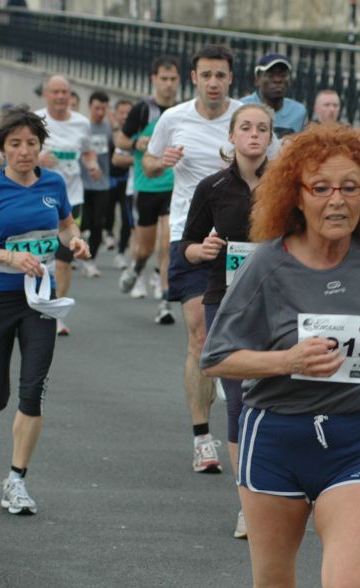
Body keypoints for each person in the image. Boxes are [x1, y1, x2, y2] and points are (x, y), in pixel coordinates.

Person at [201, 123, 360, 588]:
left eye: (351, 187)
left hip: (349, 441)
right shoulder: (268, 263)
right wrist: (286, 361)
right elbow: (216, 357)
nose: (337, 200)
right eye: (321, 187)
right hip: (274, 439)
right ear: (296, 193)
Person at [0, 105, 90, 515]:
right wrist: (8, 258)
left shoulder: (54, 184)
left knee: (34, 389)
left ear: (41, 146)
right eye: (15, 144)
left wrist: (75, 241)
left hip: (39, 298)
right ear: (3, 148)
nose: (24, 151)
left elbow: (66, 224)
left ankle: (16, 480)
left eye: (31, 143)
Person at [144, 44, 244, 474]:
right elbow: (148, 165)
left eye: (221, 75)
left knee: (238, 335)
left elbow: (276, 166)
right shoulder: (173, 118)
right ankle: (203, 437)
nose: (214, 83)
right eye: (207, 75)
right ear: (194, 77)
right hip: (190, 235)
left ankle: (242, 418)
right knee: (199, 334)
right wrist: (160, 162)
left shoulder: (246, 118)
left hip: (240, 240)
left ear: (230, 79)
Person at [183, 102, 274, 538]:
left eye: (262, 129)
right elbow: (186, 244)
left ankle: (284, 492)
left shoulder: (288, 185)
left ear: (271, 137)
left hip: (280, 302)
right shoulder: (213, 186)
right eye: (246, 128)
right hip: (227, 300)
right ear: (232, 136)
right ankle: (248, 506)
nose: (253, 135)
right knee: (239, 401)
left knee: (275, 397)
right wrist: (199, 252)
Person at [115, 55, 180, 320]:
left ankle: (164, 303)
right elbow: (121, 139)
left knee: (166, 244)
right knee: (145, 248)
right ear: (153, 79)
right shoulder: (143, 110)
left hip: (175, 187)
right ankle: (136, 267)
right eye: (163, 79)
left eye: (173, 79)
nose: (168, 84)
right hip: (146, 186)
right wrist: (137, 144)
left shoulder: (183, 112)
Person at [35, 74, 100, 336]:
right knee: (41, 257)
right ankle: (34, 304)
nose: (61, 97)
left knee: (64, 258)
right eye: (55, 92)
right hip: (39, 198)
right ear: (46, 95)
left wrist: (92, 164)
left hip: (71, 200)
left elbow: (87, 150)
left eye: (65, 92)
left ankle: (55, 314)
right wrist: (39, 159)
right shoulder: (35, 120)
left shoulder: (82, 123)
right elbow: (18, 153)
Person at [81, 90, 113, 279]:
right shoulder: (83, 127)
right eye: (96, 108)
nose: (100, 112)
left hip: (102, 184)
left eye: (103, 108)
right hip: (82, 183)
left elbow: (117, 147)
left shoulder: (108, 128)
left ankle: (90, 260)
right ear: (90, 107)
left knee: (97, 224)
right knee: (83, 222)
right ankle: (80, 245)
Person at [241, 53, 307, 137]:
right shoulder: (241, 107)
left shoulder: (299, 112)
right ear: (257, 80)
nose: (278, 80)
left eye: (283, 75)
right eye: (270, 75)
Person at [109, 98, 135, 270]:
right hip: (109, 181)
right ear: (116, 114)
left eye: (129, 113)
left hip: (129, 183)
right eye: (122, 113)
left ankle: (121, 253)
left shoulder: (136, 132)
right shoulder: (113, 132)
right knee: (106, 215)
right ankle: (108, 234)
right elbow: (116, 156)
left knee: (128, 221)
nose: (125, 116)